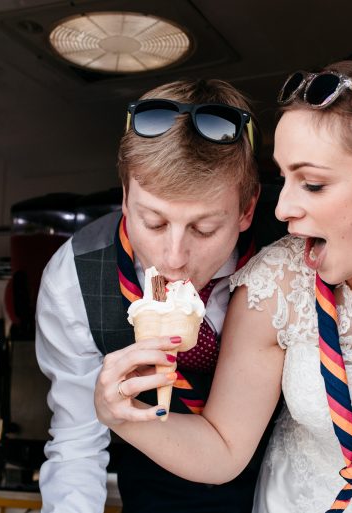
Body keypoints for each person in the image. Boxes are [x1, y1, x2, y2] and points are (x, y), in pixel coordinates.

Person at [94, 51, 352, 513]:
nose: (281, 208)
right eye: (283, 178)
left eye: (311, 184)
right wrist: (121, 416)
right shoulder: (276, 281)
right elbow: (224, 449)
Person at [36, 78, 285, 512]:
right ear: (126, 198)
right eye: (152, 222)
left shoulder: (291, 252)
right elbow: (76, 442)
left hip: (281, 484)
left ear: (248, 209)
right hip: (152, 485)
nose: (173, 259)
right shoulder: (73, 277)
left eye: (204, 229)